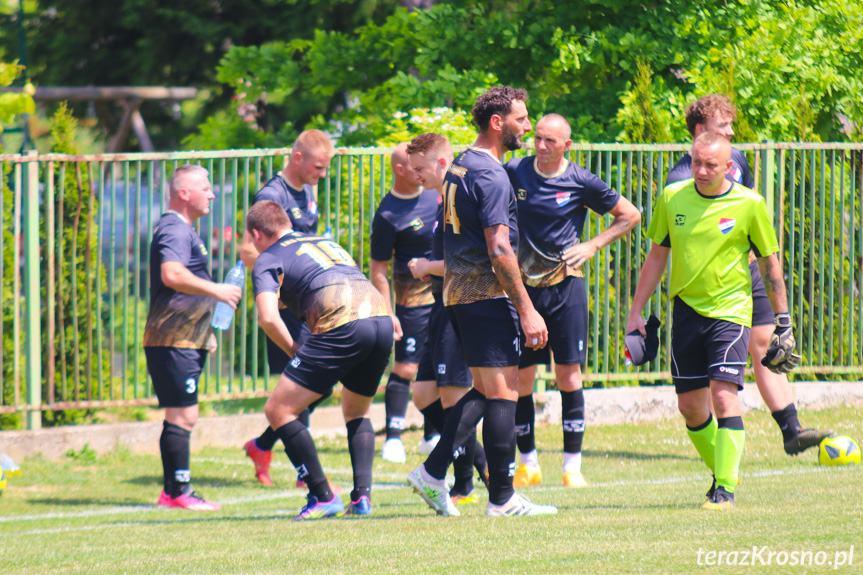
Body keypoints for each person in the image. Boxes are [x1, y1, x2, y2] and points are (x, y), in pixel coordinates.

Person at [628, 132, 801, 511]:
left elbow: (771, 263)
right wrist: (635, 311)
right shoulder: (673, 197)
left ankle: (724, 490)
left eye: (711, 165)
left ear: (729, 168)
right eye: (696, 163)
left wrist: (783, 321)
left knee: (724, 396)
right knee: (690, 406)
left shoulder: (750, 204)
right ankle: (726, 469)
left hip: (731, 311)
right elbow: (657, 256)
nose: (702, 171)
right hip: (686, 311)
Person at [407, 86, 556, 517]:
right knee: (505, 392)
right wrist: (527, 308)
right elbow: (499, 249)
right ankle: (502, 499)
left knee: (487, 390)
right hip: (485, 294)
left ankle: (435, 474)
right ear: (498, 122)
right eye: (522, 119)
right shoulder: (491, 175)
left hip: (458, 295)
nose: (528, 127)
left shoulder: (461, 166)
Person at [665, 94, 830, 455]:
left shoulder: (734, 158)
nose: (731, 131)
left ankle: (791, 429)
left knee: (768, 346)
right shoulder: (681, 179)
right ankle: (723, 448)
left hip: (748, 271)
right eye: (722, 126)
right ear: (699, 131)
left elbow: (745, 213)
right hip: (712, 286)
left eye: (730, 124)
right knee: (715, 385)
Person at [506, 113, 641, 489]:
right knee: (521, 378)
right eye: (537, 138)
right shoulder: (515, 171)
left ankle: (572, 467)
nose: (541, 146)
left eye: (551, 140)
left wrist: (593, 245)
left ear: (567, 145)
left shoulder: (581, 180)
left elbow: (630, 215)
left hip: (566, 288)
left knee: (568, 376)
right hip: (524, 291)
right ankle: (528, 463)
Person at [247, 200, 394, 519]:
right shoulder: (325, 242)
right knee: (356, 412)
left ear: (257, 234)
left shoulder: (267, 257)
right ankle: (362, 498)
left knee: (279, 410)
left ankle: (322, 496)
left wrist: (293, 350)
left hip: (342, 324)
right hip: (381, 319)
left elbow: (268, 318)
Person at [240, 130, 337, 487]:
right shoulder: (272, 195)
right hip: (285, 306)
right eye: (317, 167)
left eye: (326, 168)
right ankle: (305, 474)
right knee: (303, 382)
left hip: (308, 302)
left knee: (318, 383)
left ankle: (262, 445)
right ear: (297, 158)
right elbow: (250, 251)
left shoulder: (308, 189)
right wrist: (278, 291)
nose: (322, 175)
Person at [145, 165, 242, 510]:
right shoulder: (175, 228)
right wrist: (217, 290)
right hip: (172, 337)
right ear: (184, 193)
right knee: (182, 415)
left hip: (186, 337)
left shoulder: (184, 229)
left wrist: (205, 332)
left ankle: (174, 491)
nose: (212, 194)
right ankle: (176, 493)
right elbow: (171, 274)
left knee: (182, 414)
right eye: (205, 187)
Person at [405, 133, 489, 510]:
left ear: (441, 163)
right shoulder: (440, 200)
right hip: (440, 306)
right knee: (423, 395)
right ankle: (480, 466)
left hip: (461, 306)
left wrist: (425, 266)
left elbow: (467, 259)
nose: (414, 175)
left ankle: (465, 482)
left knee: (457, 399)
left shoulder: (457, 198)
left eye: (419, 168)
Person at [369, 142, 441, 463]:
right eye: (415, 166)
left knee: (439, 364)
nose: (421, 170)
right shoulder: (387, 214)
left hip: (446, 296)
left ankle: (432, 433)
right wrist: (388, 313)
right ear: (401, 170)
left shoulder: (435, 194)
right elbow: (378, 271)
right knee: (407, 366)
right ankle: (394, 437)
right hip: (411, 303)